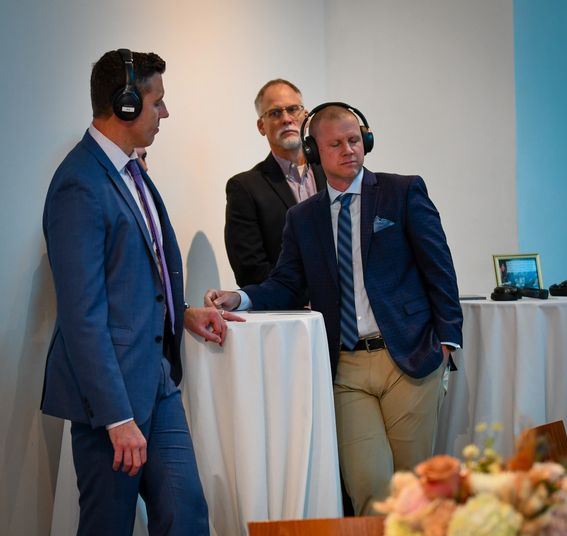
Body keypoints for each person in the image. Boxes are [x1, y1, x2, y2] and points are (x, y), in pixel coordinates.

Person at [205, 103, 463, 516]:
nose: (349, 150)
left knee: (415, 492)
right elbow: (287, 284)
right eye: (336, 143)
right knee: (371, 491)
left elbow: (439, 267)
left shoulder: (403, 191)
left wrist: (447, 341)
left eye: (355, 140)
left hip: (411, 358)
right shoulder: (302, 218)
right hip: (346, 369)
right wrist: (243, 297)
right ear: (313, 151)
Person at [41, 49, 241, 535]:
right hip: (112, 401)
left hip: (158, 381)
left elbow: (138, 275)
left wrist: (184, 312)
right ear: (125, 105)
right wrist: (115, 418)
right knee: (108, 525)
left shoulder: (130, 171)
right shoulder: (79, 184)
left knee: (187, 515)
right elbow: (83, 316)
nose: (165, 114)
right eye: (157, 103)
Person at [224, 79, 327, 286]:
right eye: (275, 113)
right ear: (262, 126)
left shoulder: (333, 173)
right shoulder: (244, 188)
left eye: (292, 109)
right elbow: (250, 271)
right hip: (293, 312)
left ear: (305, 117)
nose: (286, 119)